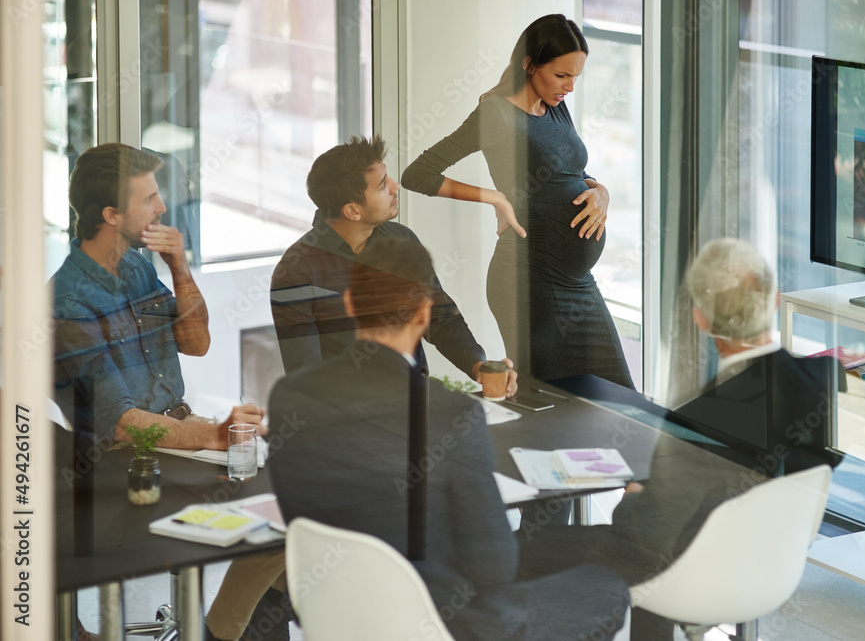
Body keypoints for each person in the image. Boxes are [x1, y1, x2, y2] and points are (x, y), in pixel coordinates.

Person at [268, 237, 630, 640]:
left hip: (336, 614)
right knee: (606, 587)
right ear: (424, 313)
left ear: (350, 305)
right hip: (449, 625)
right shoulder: (451, 415)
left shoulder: (290, 397)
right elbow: (494, 564)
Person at [515, 238, 843, 638]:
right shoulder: (823, 382)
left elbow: (643, 535)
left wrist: (635, 496)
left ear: (700, 318)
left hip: (693, 573)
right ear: (774, 301)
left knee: (512, 549)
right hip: (774, 567)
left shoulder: (698, 421)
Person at [49, 143, 277, 641]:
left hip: (179, 433)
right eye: (149, 198)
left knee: (285, 514)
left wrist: (178, 264)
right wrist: (213, 435)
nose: (161, 208)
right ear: (112, 215)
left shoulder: (134, 265)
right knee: (269, 527)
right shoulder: (68, 301)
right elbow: (124, 424)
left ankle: (222, 631)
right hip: (130, 459)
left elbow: (196, 343)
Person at [401, 13, 633, 389]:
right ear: (529, 64)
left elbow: (568, 173)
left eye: (576, 76)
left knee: (619, 398)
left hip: (577, 282)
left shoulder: (554, 105)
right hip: (530, 281)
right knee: (553, 403)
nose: (570, 87)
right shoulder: (496, 114)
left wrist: (601, 191)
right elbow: (418, 174)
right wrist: (495, 197)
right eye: (562, 75)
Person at [270, 135, 516, 396]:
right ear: (352, 211)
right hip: (349, 419)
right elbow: (307, 376)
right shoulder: (296, 271)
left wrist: (478, 366)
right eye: (381, 185)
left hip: (413, 404)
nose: (395, 186)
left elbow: (440, 318)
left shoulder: (400, 239)